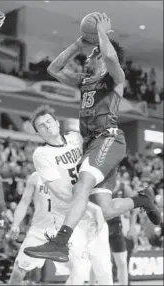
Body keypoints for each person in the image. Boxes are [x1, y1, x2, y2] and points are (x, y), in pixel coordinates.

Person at [24, 12, 161, 262]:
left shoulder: (115, 78)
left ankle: (60, 243)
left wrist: (102, 34)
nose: (88, 55)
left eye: (92, 52)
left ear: (102, 55)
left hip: (107, 138)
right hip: (91, 145)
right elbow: (53, 68)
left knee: (82, 186)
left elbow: (110, 56)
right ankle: (142, 199)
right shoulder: (85, 81)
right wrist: (78, 43)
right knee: (104, 209)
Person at [10, 158, 112, 284]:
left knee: (79, 271)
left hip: (64, 232)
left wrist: (96, 209)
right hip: (39, 230)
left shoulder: (70, 179)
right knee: (18, 271)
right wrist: (15, 224)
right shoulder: (36, 177)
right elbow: (24, 202)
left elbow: (77, 201)